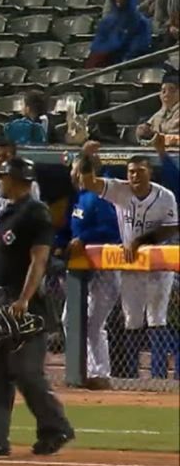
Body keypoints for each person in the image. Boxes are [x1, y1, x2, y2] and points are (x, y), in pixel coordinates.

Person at [0, 158, 75, 457]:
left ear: (16, 180)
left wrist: (24, 299)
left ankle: (56, 427)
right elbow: (7, 248)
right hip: (5, 299)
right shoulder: (11, 212)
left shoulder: (35, 212)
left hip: (25, 302)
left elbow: (39, 259)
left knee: (26, 371)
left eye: (3, 177)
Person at [79, 156, 180, 379]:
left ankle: (159, 377)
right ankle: (132, 377)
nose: (134, 175)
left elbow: (171, 228)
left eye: (139, 171)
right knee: (132, 320)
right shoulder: (119, 189)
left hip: (159, 263)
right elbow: (89, 183)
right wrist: (86, 158)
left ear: (149, 172)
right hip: (130, 264)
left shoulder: (165, 196)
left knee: (157, 318)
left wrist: (140, 241)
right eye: (131, 171)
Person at [65, 148, 122, 388]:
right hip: (84, 269)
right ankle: (87, 369)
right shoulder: (80, 197)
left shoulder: (99, 196)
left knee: (94, 323)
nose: (72, 173)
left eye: (75, 169)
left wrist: (84, 238)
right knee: (71, 319)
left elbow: (114, 229)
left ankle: (99, 373)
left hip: (105, 268)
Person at [86, 0, 151, 68]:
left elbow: (138, 49)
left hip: (127, 67)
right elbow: (97, 46)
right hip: (105, 66)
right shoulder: (106, 22)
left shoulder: (141, 22)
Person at [136, 77, 179, 147]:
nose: (166, 94)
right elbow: (148, 129)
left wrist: (153, 135)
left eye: (172, 90)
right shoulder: (159, 114)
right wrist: (143, 131)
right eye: (163, 91)